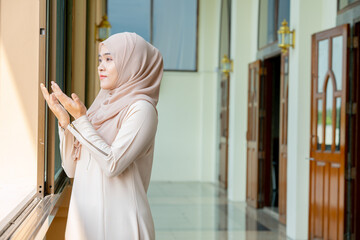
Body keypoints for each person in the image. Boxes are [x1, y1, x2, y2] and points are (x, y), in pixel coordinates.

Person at [40, 32, 163, 240]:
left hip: (122, 225)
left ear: (131, 63)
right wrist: (65, 123)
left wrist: (81, 120)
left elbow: (112, 165)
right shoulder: (100, 108)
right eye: (100, 60)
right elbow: (71, 169)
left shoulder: (142, 110)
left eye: (109, 59)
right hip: (86, 222)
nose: (100, 67)